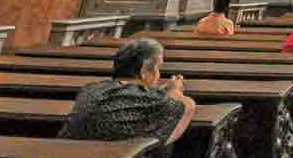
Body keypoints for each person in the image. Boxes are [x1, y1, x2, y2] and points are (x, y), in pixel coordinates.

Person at [59, 38, 195, 147]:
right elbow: (187, 107)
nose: (159, 75)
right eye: (158, 68)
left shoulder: (90, 89)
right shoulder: (148, 100)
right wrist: (176, 90)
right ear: (143, 71)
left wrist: (161, 91)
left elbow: (131, 99)